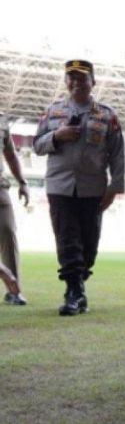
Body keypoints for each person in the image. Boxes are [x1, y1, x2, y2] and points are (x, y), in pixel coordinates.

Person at [33, 60, 125, 316]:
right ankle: (74, 291)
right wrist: (56, 136)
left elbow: (117, 154)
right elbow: (37, 146)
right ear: (66, 82)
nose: (76, 83)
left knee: (89, 245)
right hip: (60, 187)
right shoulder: (52, 112)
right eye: (71, 78)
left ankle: (78, 285)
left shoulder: (107, 115)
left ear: (92, 82)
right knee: (67, 240)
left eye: (82, 78)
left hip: (93, 189)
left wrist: (114, 187)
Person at [0, 114, 30, 305]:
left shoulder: (1, 121)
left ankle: (14, 291)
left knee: (9, 232)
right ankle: (5, 273)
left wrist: (22, 182)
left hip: (0, 188)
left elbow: (10, 154)